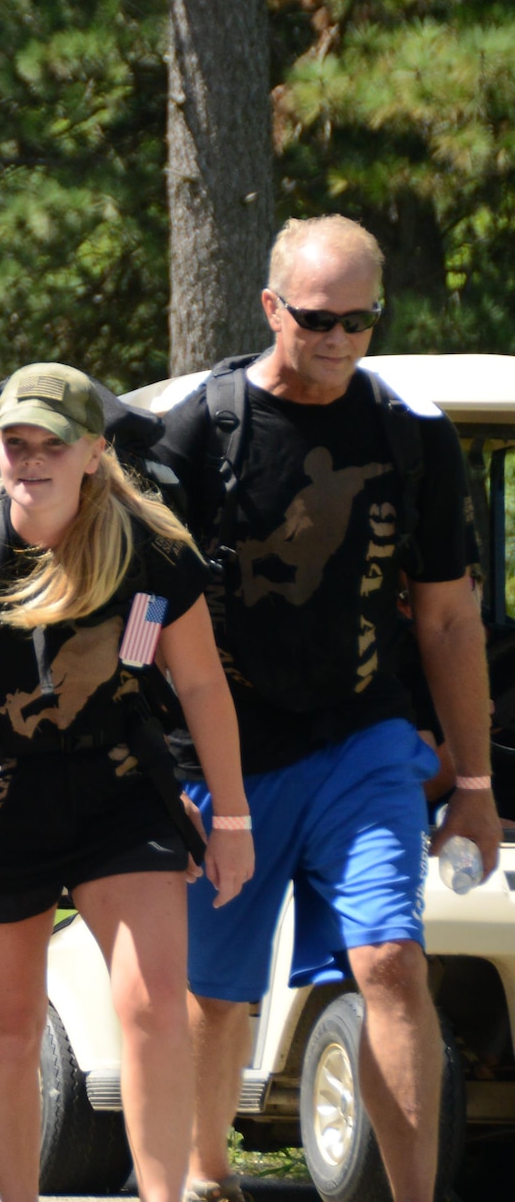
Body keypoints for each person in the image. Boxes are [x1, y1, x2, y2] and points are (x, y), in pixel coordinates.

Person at [150, 216, 495, 1202]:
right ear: (269, 308)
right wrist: (143, 765)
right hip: (220, 757)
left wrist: (469, 782)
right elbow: (136, 618)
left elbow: (445, 624)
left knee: (387, 960)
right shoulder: (198, 430)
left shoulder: (408, 436)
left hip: (361, 742)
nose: (338, 340)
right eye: (315, 320)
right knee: (213, 999)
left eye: (358, 320)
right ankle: (202, 1177)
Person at [0, 363, 254, 1202]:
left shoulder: (151, 548)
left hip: (118, 785)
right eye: (17, 442)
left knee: (157, 1004)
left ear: (94, 450)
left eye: (53, 442)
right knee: (9, 1032)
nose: (32, 459)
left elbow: (200, 685)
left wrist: (231, 818)